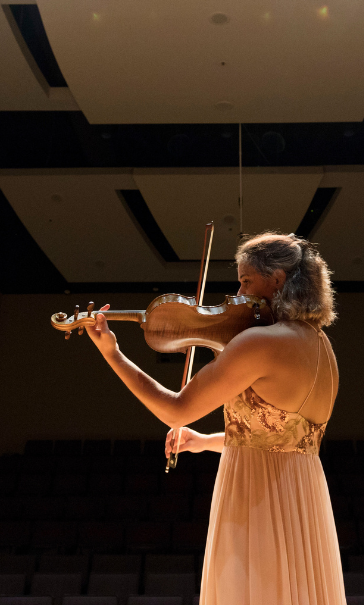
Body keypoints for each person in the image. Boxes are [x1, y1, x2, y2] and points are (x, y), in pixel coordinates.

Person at [85, 232, 343, 604]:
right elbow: (280, 436)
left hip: (257, 503)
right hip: (304, 500)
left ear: (278, 280)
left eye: (246, 280)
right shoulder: (322, 347)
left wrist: (113, 354)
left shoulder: (261, 342)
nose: (239, 293)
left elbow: (175, 409)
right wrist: (204, 441)